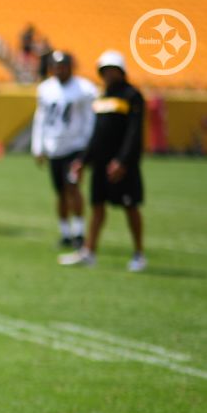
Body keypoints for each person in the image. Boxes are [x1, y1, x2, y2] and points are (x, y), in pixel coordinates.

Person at [60, 50, 147, 271]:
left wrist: (122, 161)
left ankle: (139, 253)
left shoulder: (132, 96)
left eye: (112, 70)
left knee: (130, 207)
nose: (108, 75)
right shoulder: (102, 97)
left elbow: (134, 134)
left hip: (122, 165)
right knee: (97, 206)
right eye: (105, 71)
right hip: (101, 163)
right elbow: (96, 136)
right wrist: (83, 160)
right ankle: (89, 251)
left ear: (120, 71)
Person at [31, 51, 96, 249]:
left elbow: (89, 120)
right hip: (54, 147)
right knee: (60, 191)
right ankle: (65, 233)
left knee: (73, 187)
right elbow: (40, 118)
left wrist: (88, 147)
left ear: (70, 67)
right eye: (56, 66)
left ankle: (79, 232)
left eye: (63, 66)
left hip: (75, 146)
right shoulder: (45, 89)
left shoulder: (84, 89)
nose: (59, 70)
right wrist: (38, 146)